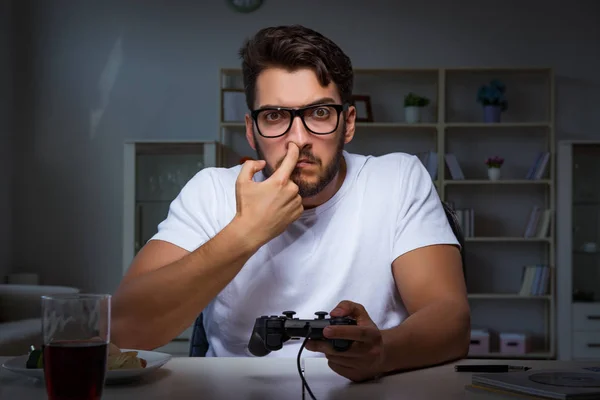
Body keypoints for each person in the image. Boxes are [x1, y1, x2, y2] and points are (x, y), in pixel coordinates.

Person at [111, 24, 470, 383]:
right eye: (275, 116)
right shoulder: (210, 192)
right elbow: (124, 331)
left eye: (319, 114)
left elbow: (450, 320)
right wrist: (245, 233)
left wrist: (383, 352)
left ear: (347, 123)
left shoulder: (398, 179)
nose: (298, 140)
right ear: (251, 130)